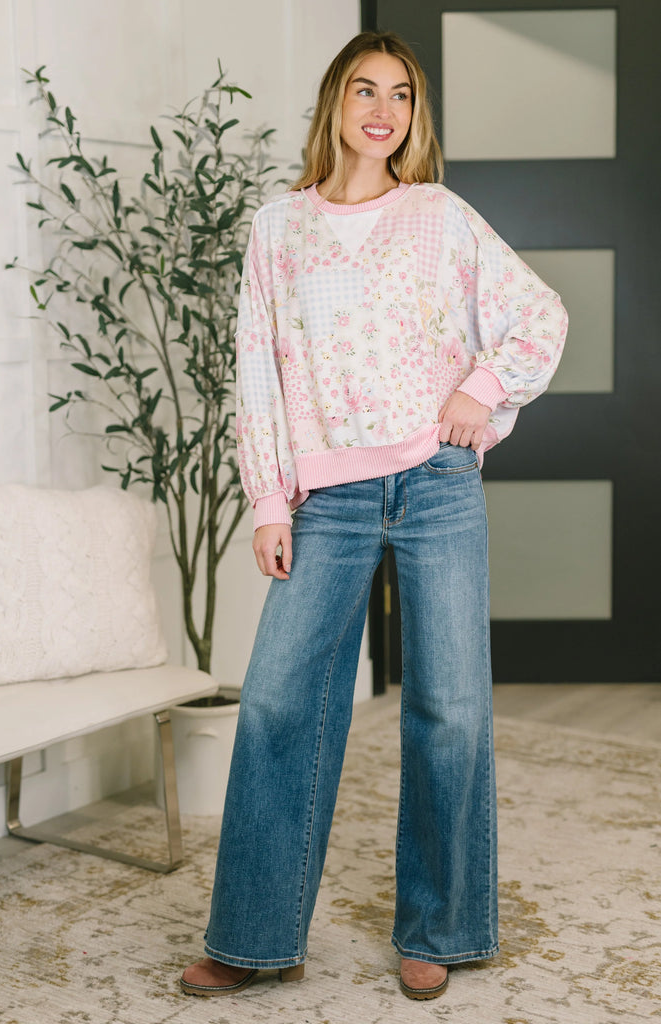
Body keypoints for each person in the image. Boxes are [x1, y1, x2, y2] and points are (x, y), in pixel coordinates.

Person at [180, 30, 567, 1001]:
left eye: (401, 94)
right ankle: (255, 937)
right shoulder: (279, 227)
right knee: (277, 702)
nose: (383, 109)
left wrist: (480, 391)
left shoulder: (440, 215)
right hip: (328, 497)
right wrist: (268, 501)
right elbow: (257, 370)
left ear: (413, 116)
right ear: (335, 104)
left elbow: (539, 315)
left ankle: (439, 927)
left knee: (450, 707)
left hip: (436, 483)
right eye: (365, 89)